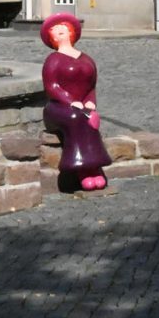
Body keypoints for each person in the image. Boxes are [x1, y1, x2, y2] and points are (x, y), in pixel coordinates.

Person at [39, 12, 112, 192]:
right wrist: (70, 101)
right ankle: (81, 169)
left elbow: (90, 86)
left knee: (89, 117)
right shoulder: (54, 59)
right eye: (55, 32)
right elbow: (52, 86)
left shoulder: (86, 59)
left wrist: (90, 102)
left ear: (71, 32)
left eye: (62, 29)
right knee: (75, 117)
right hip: (58, 108)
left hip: (81, 107)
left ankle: (95, 166)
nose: (59, 32)